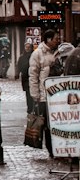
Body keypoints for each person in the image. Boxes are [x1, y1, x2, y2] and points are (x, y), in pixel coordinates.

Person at [29, 27, 61, 155]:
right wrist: (35, 94)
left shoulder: (58, 52)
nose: (58, 41)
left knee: (57, 121)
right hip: (45, 95)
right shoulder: (38, 53)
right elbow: (33, 75)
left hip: (58, 94)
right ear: (48, 39)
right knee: (48, 124)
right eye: (56, 39)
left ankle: (59, 147)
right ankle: (51, 149)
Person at [17, 41, 35, 111]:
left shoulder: (33, 56)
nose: (27, 49)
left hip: (32, 76)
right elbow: (19, 66)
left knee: (33, 93)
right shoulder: (22, 57)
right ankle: (29, 108)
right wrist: (18, 73)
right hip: (25, 78)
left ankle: (33, 107)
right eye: (26, 47)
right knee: (28, 94)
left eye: (29, 47)